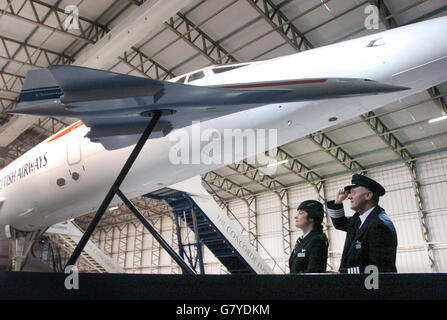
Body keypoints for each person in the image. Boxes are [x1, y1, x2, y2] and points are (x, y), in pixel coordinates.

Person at [327, 174, 398, 273]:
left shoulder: (379, 225)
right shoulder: (358, 219)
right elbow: (340, 223)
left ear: (368, 195)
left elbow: (380, 268)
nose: (349, 197)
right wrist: (337, 203)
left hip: (372, 286)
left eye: (353, 193)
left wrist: (343, 274)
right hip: (357, 283)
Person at [289, 200, 328, 274]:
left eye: (300, 213)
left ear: (311, 217)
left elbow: (314, 272)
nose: (295, 217)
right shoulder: (301, 241)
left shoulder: (317, 241)